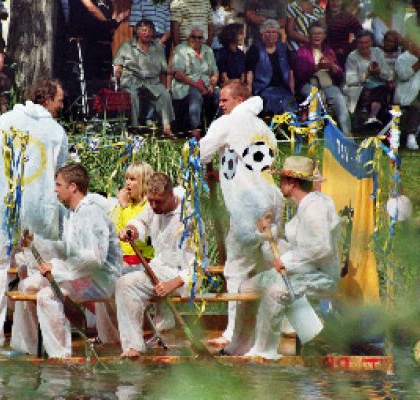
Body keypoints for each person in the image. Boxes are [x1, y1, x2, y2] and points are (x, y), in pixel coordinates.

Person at [0, 78, 69, 348]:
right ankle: (37, 341)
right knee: (34, 269)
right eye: (59, 100)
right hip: (38, 210)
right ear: (46, 98)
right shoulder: (56, 132)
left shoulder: (9, 120)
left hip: (6, 208)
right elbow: (61, 172)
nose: (62, 105)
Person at [199, 80, 283, 351]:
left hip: (248, 207)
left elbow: (201, 153)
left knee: (235, 269)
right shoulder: (262, 126)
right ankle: (278, 329)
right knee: (269, 265)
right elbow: (251, 162)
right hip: (272, 201)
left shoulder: (229, 122)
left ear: (239, 100)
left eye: (225, 100)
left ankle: (233, 333)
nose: (220, 105)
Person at [12, 163, 123, 358]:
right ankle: (30, 348)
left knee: (47, 296)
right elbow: (68, 250)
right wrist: (33, 243)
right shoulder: (74, 214)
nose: (55, 190)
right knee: (26, 286)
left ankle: (61, 355)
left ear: (72, 187)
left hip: (101, 279)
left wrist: (56, 268)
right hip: (82, 274)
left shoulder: (91, 213)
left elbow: (94, 259)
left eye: (58, 185)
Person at [242, 156, 340, 359]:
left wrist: (287, 261)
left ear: (292, 183)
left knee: (274, 292)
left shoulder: (315, 208)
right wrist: (266, 231)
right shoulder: (304, 205)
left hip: (320, 275)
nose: (280, 184)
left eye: (283, 180)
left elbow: (321, 247)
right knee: (248, 287)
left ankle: (264, 351)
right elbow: (296, 243)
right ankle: (253, 339)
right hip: (303, 270)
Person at [115, 172, 197, 358]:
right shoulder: (153, 205)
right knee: (121, 281)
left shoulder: (189, 217)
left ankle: (146, 338)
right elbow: (141, 222)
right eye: (150, 201)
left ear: (171, 195)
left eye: (158, 202)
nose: (153, 206)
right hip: (158, 271)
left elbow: (199, 263)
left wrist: (173, 283)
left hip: (183, 277)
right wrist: (131, 230)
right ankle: (135, 345)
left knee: (127, 285)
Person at [114, 19, 175, 138]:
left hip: (152, 81)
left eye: (150, 30)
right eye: (144, 30)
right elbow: (118, 64)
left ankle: (166, 127)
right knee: (131, 95)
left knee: (165, 95)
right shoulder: (127, 46)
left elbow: (164, 68)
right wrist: (117, 74)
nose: (148, 33)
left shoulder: (157, 47)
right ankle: (134, 128)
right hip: (131, 80)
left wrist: (175, 73)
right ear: (137, 32)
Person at [294, 22, 351, 136]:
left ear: (324, 35)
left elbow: (340, 73)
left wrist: (333, 68)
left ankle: (347, 134)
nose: (317, 36)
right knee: (315, 96)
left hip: (327, 83)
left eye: (319, 33)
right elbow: (300, 74)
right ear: (309, 35)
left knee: (339, 98)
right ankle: (314, 133)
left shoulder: (328, 50)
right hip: (309, 83)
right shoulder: (302, 51)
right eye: (314, 33)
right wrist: (317, 67)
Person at [171, 24, 219, 136]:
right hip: (186, 85)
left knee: (219, 93)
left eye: (199, 37)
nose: (196, 40)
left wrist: (212, 85)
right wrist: (198, 86)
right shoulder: (181, 49)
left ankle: (215, 128)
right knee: (195, 93)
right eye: (193, 37)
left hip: (206, 85)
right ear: (188, 37)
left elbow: (215, 72)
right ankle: (195, 129)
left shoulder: (208, 50)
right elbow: (178, 74)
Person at [110, 161, 155, 273]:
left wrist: (125, 206)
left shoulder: (150, 205)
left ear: (144, 183)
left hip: (142, 259)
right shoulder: (125, 204)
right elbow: (115, 229)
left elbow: (136, 231)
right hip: (122, 257)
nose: (127, 183)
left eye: (132, 179)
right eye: (126, 179)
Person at [245, 19, 295, 115]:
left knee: (288, 101)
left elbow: (290, 71)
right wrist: (249, 93)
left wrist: (292, 90)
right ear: (262, 34)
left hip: (282, 87)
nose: (271, 35)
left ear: (277, 34)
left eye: (274, 32)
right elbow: (249, 72)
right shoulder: (255, 49)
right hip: (263, 88)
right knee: (272, 100)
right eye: (268, 32)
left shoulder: (284, 48)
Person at [344, 30, 390, 125]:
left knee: (382, 89)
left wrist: (378, 71)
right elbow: (350, 80)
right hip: (360, 87)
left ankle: (372, 117)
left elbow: (388, 74)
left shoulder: (378, 52)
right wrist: (367, 74)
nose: (364, 45)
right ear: (357, 43)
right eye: (361, 43)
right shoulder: (352, 57)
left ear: (371, 42)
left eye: (366, 42)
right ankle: (371, 117)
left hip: (379, 86)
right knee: (373, 92)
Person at [394, 39, 420, 150]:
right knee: (415, 104)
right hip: (406, 94)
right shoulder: (402, 59)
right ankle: (411, 137)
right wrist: (418, 64)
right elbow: (403, 75)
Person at [324, 0, 362, 67]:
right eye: (332, 1)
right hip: (325, 54)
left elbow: (361, 34)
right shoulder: (323, 16)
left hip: (342, 56)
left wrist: (348, 48)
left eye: (338, 1)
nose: (335, 3)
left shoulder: (348, 17)